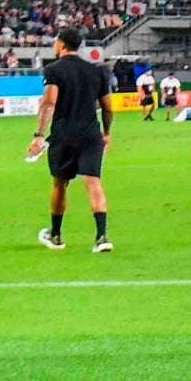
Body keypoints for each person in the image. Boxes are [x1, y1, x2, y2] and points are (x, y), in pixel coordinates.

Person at [31, 27, 113, 254]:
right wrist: (106, 133)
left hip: (63, 135)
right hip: (90, 135)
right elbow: (107, 108)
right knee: (93, 181)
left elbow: (48, 103)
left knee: (60, 183)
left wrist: (38, 135)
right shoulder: (97, 72)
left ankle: (56, 236)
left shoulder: (54, 70)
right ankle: (102, 237)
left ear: (61, 44)